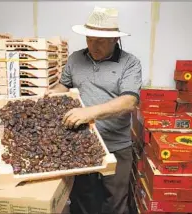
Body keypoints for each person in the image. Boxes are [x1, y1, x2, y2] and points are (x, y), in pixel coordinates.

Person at [49, 6, 142, 214]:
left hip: (117, 146)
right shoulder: (75, 59)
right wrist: (52, 93)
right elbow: (64, 85)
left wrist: (90, 112)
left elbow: (129, 101)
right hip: (82, 142)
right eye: (89, 39)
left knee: (115, 202)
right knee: (82, 199)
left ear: (115, 40)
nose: (93, 45)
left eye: (100, 40)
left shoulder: (130, 63)